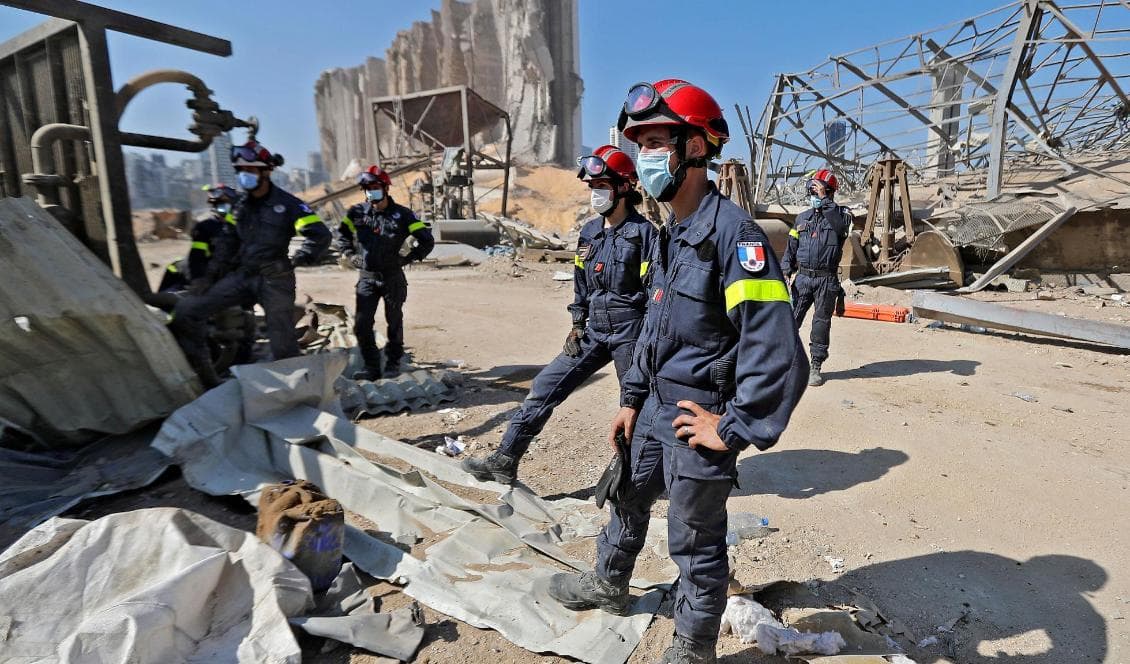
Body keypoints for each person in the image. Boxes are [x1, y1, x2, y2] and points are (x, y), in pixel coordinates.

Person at [545, 79, 808, 664]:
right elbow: (656, 327)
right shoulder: (670, 233)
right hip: (653, 405)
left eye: (659, 140)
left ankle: (691, 649)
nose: (647, 155)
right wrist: (631, 397)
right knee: (627, 495)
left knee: (694, 541)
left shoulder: (734, 236)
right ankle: (610, 584)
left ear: (697, 147)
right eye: (641, 143)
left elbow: (779, 352)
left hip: (698, 415)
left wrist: (733, 427)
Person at [461, 145, 655, 484]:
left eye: (602, 187)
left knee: (636, 405)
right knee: (544, 386)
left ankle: (638, 480)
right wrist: (577, 322)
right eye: (592, 188)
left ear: (624, 187)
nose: (595, 194)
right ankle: (505, 459)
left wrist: (649, 342)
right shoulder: (590, 233)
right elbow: (581, 282)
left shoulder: (645, 235)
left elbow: (656, 291)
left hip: (631, 332)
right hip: (594, 330)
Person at [170, 140, 330, 387]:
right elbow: (227, 245)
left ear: (265, 171)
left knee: (283, 343)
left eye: (251, 171)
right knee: (187, 312)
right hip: (242, 276)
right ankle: (208, 379)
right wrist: (207, 279)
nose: (245, 176)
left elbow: (319, 234)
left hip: (274, 278)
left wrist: (297, 259)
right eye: (241, 172)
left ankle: (296, 395)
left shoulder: (287, 204)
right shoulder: (240, 206)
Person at [335, 165, 434, 380]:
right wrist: (350, 255)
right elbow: (341, 235)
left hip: (392, 278)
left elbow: (427, 240)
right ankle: (371, 367)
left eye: (375, 187)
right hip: (367, 279)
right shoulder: (356, 213)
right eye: (367, 188)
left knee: (394, 322)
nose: (371, 191)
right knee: (362, 325)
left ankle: (393, 363)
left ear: (385, 188)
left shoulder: (403, 215)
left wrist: (407, 258)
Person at [780, 168, 852, 387]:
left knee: (820, 324)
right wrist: (785, 270)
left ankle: (815, 366)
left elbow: (840, 227)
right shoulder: (802, 218)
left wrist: (824, 200)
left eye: (818, 191)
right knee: (789, 321)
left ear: (829, 192)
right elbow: (791, 248)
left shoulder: (842, 216)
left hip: (826, 281)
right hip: (802, 278)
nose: (814, 196)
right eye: (812, 192)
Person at [157, 184, 238, 294]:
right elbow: (197, 256)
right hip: (206, 273)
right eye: (218, 203)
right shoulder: (207, 226)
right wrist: (198, 279)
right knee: (174, 268)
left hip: (232, 275)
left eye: (225, 203)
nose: (221, 207)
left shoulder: (242, 226)